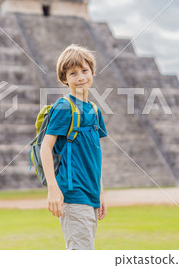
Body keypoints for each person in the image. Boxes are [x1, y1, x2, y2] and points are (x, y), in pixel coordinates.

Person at [40, 44, 108, 250]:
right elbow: (46, 148)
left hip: (91, 194)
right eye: (73, 73)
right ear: (64, 79)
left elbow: (95, 154)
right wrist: (53, 188)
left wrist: (100, 192)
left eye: (85, 71)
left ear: (92, 72)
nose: (80, 77)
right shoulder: (63, 107)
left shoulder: (94, 110)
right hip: (73, 192)